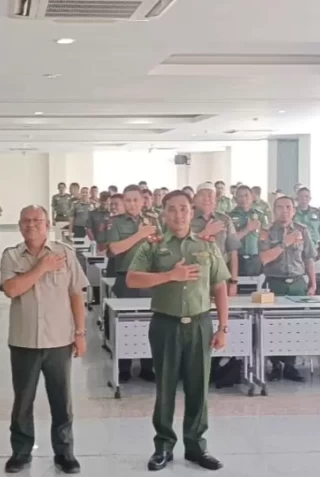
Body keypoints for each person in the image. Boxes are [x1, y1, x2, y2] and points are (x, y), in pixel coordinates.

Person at [127, 190, 230, 472]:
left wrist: (223, 327)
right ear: (164, 213)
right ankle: (163, 446)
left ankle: (196, 446)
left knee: (199, 388)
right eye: (171, 209)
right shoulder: (154, 245)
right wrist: (169, 276)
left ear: (192, 211)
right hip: (165, 324)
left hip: (199, 324)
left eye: (183, 208)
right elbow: (132, 278)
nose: (178, 214)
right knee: (166, 388)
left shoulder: (207, 245)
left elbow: (219, 286)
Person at [0, 205, 86, 475]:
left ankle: (65, 453)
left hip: (59, 339)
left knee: (61, 399)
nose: (31, 225)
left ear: (47, 223)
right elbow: (12, 289)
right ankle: (21, 452)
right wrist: (41, 268)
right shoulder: (11, 256)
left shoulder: (65, 253)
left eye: (37, 220)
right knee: (23, 401)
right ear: (19, 225)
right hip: (24, 340)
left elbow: (76, 294)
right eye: (26, 221)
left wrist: (80, 333)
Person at [105, 185, 159, 382]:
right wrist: (140, 234)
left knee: (150, 323)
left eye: (136, 200)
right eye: (127, 200)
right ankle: (124, 367)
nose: (132, 204)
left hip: (149, 278)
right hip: (126, 277)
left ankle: (147, 366)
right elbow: (115, 249)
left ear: (143, 201)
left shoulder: (153, 220)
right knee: (125, 322)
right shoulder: (115, 223)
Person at [259, 196, 316, 382]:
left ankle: (291, 365)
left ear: (294, 210)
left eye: (288, 207)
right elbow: (264, 258)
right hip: (275, 282)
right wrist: (284, 243)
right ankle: (275, 364)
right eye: (280, 207)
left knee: (295, 325)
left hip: (298, 283)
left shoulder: (302, 230)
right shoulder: (266, 231)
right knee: (274, 325)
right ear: (273, 210)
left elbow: (309, 258)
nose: (284, 210)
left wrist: (313, 282)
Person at [191, 183, 241, 388]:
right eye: (202, 195)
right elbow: (185, 245)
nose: (207, 199)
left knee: (219, 317)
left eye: (211, 196)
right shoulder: (188, 218)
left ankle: (215, 366)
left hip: (219, 277)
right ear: (195, 198)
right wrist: (205, 231)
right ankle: (197, 369)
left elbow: (233, 252)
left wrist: (234, 280)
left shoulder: (225, 219)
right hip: (195, 276)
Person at [229, 185, 270, 276]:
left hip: (255, 258)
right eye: (240, 196)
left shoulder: (260, 215)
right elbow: (228, 241)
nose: (243, 199)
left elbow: (266, 237)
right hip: (236, 257)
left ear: (252, 197)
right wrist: (247, 229)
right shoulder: (229, 216)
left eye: (246, 195)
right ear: (235, 198)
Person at [294, 187, 320, 259]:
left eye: (306, 197)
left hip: (314, 249)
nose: (304, 199)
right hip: (297, 249)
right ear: (297, 198)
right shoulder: (292, 212)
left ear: (310, 198)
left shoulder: (317, 213)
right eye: (301, 197)